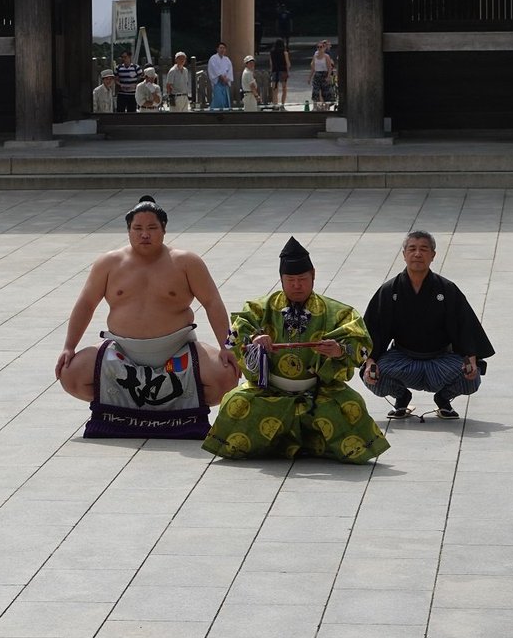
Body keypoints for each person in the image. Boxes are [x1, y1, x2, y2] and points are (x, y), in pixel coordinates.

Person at [56, 195, 239, 438]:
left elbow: (212, 302)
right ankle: (128, 408)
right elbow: (86, 304)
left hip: (177, 351)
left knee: (225, 376)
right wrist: (69, 346)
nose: (145, 234)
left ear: (164, 230)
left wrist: (226, 346)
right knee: (71, 373)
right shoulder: (109, 263)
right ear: (128, 231)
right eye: (138, 228)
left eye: (152, 228)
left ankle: (160, 409)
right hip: (122, 352)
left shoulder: (186, 262)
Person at [202, 237, 390, 464]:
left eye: (302, 279)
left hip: (318, 390)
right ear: (281, 280)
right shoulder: (260, 307)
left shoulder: (337, 312)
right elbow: (236, 333)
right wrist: (254, 339)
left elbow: (361, 344)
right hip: (270, 390)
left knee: (352, 406)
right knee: (235, 402)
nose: (297, 285)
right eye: (290, 280)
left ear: (313, 275)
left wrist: (339, 350)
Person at [361, 231, 493, 420]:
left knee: (471, 378)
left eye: (423, 249)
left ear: (433, 255)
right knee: (371, 375)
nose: (417, 254)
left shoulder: (447, 289)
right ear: (404, 254)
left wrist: (470, 358)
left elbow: (464, 325)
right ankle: (401, 396)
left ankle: (444, 398)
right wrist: (370, 361)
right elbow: (374, 328)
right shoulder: (390, 290)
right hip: (402, 359)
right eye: (412, 249)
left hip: (441, 359)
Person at [309, 40, 336, 110]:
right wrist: (309, 77)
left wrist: (328, 76)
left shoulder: (326, 56)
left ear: (324, 48)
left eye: (320, 47)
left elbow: (330, 67)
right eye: (318, 47)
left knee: (326, 92)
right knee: (317, 92)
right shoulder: (315, 56)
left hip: (324, 74)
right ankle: (319, 106)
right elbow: (313, 67)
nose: (319, 48)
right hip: (317, 74)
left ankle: (326, 107)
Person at [208, 42, 233, 109]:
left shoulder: (227, 59)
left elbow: (230, 70)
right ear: (217, 49)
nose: (222, 50)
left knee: (225, 100)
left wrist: (227, 78)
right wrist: (221, 77)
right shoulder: (213, 58)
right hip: (218, 81)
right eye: (221, 48)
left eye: (224, 48)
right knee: (218, 100)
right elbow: (214, 69)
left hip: (225, 83)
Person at [269, 38, 290, 108]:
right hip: (283, 71)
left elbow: (271, 64)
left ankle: (275, 104)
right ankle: (282, 104)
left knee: (275, 89)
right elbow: (288, 64)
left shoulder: (272, 52)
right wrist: (288, 72)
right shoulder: (285, 52)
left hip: (275, 71)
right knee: (284, 88)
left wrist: (271, 72)